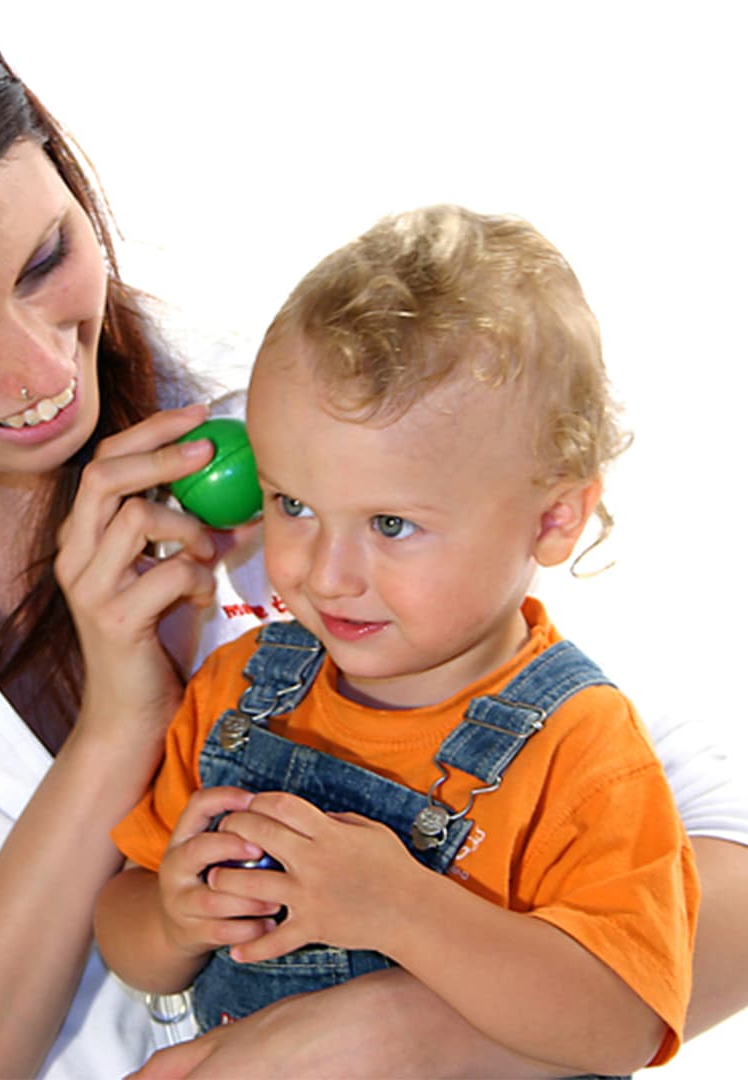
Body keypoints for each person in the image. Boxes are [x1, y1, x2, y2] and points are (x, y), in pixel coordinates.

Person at [0, 1, 745, 1077]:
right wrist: (119, 730)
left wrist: (377, 1037)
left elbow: (709, 833)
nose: (46, 372)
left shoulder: (302, 426)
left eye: (45, 259)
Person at [95, 206, 698, 1075]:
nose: (326, 573)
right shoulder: (241, 692)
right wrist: (169, 918)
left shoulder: (583, 751)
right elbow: (126, 923)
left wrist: (402, 909)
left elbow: (622, 1026)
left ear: (554, 518)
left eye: (390, 524)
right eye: (294, 505)